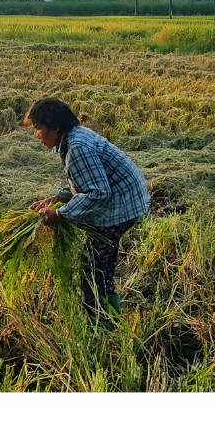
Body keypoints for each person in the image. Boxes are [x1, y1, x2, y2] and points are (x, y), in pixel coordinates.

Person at [24, 96, 150, 323]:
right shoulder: (74, 138)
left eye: (38, 127)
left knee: (94, 272)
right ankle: (106, 319)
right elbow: (85, 181)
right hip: (124, 199)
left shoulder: (78, 147)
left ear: (55, 127)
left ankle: (104, 325)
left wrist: (60, 214)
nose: (37, 134)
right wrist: (58, 198)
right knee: (97, 267)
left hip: (121, 206)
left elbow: (98, 193)